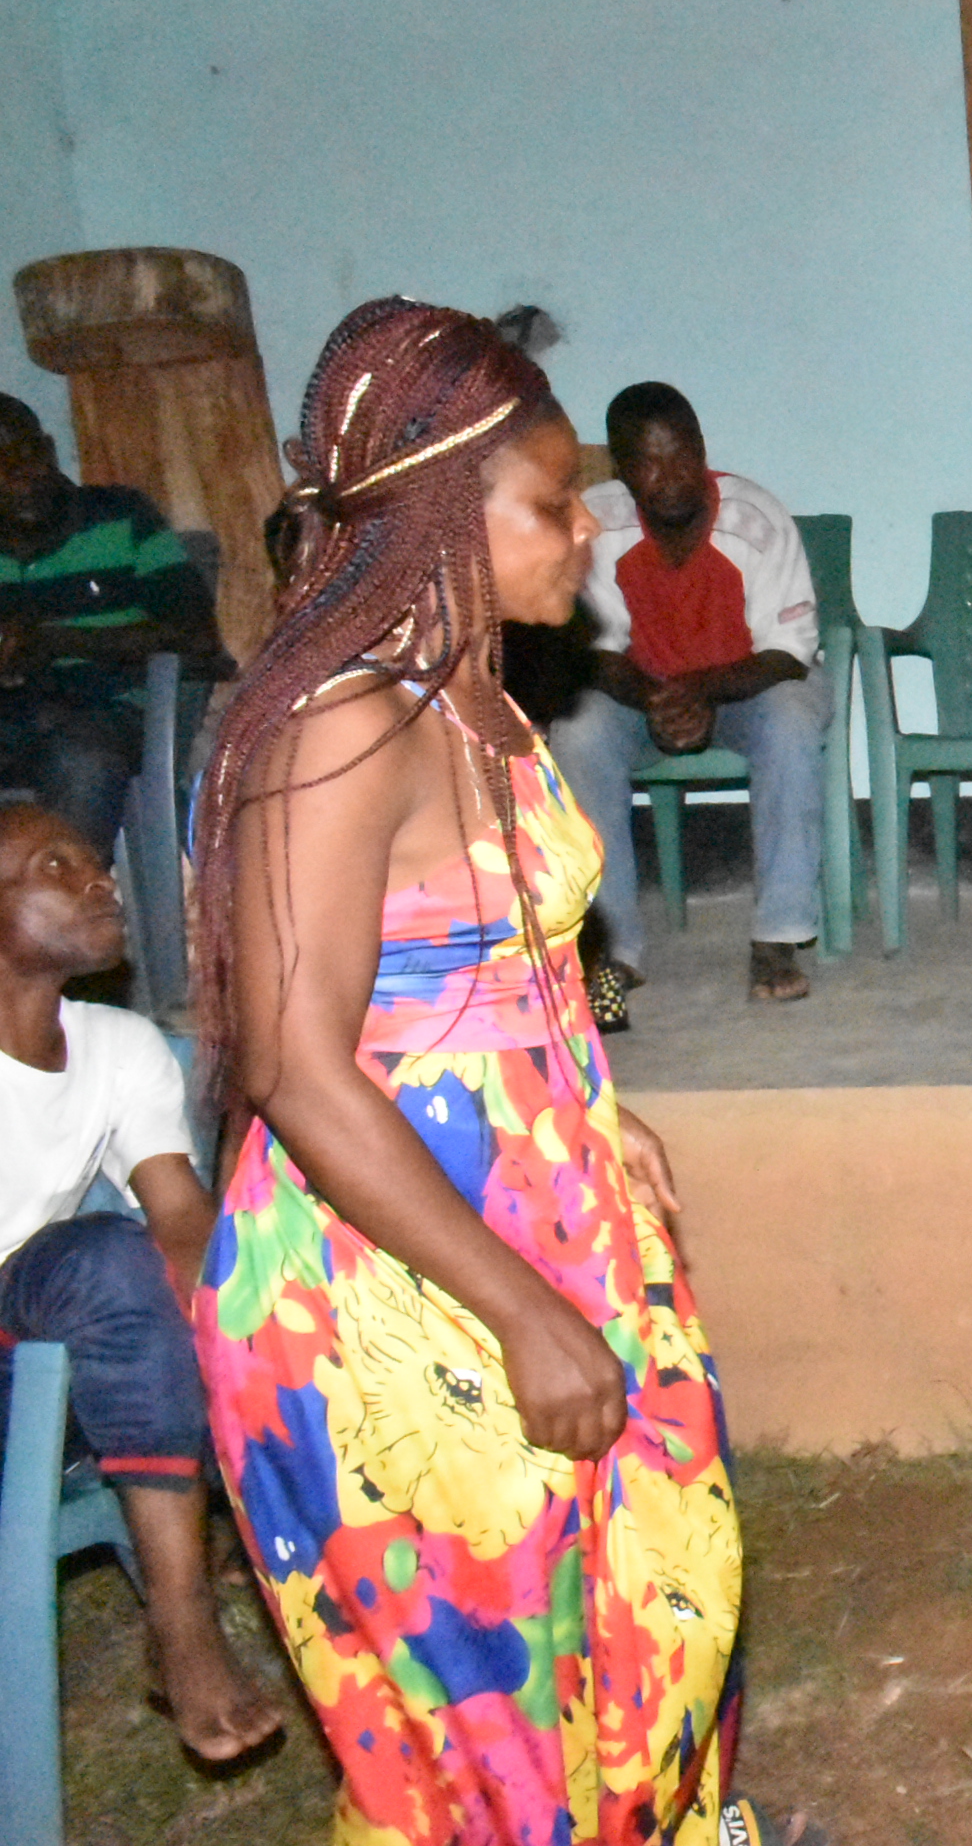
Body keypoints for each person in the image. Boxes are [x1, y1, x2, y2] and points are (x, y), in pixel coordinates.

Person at [185, 301, 742, 1840]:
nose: (588, 529)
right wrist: (520, 1311)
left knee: (646, 1619)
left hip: (531, 1205)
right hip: (400, 1274)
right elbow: (297, 1069)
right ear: (442, 514)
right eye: (555, 503)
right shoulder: (340, 727)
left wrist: (595, 1106)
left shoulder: (479, 695)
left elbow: (530, 958)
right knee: (493, 1729)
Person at [0, 800, 283, 1762]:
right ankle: (183, 1617)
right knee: (100, 1259)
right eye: (54, 867)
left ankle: (246, 1560)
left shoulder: (118, 1046)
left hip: (57, 1364)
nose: (100, 881)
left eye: (95, 862)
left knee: (181, 1261)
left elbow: (183, 1221)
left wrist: (239, 1324)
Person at [552, 381, 827, 1008]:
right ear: (621, 468)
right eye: (649, 462)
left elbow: (789, 653)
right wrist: (657, 699)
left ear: (702, 449)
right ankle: (614, 947)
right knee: (576, 729)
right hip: (642, 692)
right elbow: (593, 652)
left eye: (683, 456)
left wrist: (698, 690)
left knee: (791, 722)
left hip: (754, 688)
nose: (672, 477)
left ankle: (777, 937)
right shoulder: (595, 524)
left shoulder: (757, 518)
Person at [0, 393, 225, 862]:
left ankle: (68, 905)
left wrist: (54, 640)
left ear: (49, 450)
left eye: (25, 457)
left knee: (80, 759)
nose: (17, 477)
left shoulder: (120, 517)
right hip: (16, 717)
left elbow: (197, 637)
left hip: (112, 713)